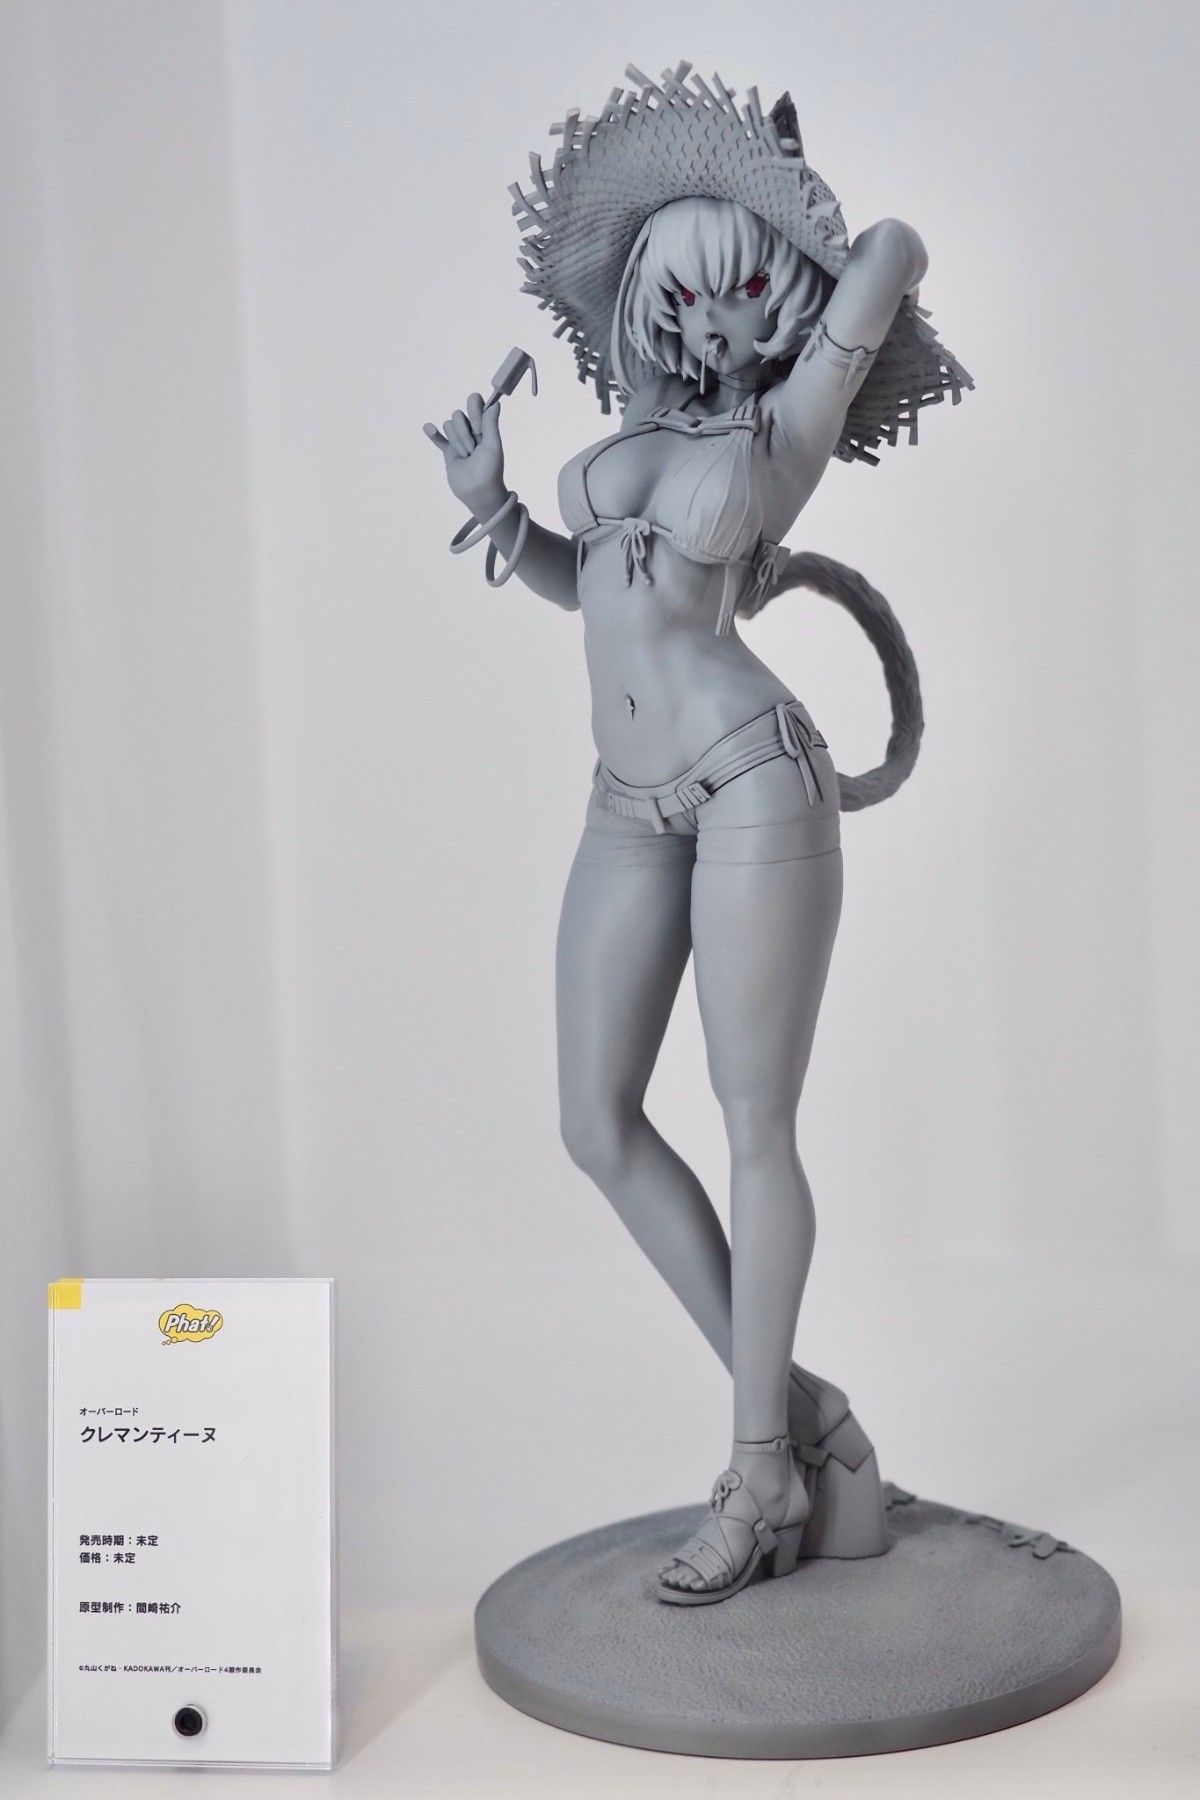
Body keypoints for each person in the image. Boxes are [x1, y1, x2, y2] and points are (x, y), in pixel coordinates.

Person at [425, 64, 971, 1605]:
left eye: (738, 295)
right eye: (683, 294)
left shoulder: (787, 427)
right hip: (627, 802)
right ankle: (806, 1425)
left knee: (751, 1127)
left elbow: (894, 251)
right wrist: (497, 509)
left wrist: (782, 213)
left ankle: (755, 1473)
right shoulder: (630, 439)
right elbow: (591, 591)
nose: (708, 323)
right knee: (593, 1119)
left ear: (780, 302)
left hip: (752, 785)